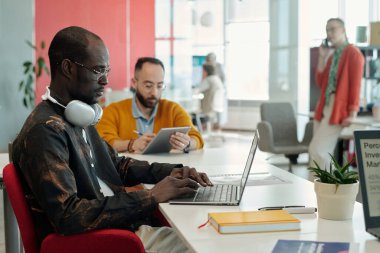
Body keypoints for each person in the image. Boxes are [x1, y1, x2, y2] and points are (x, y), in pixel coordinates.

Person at [12, 26, 213, 252]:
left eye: (106, 70)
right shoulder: (46, 130)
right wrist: (151, 196)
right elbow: (68, 215)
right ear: (68, 68)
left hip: (121, 227)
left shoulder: (77, 117)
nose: (105, 80)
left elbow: (117, 166)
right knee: (200, 244)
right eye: (98, 70)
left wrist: (171, 171)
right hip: (104, 241)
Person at [96, 57, 204, 153]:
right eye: (148, 86)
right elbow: (101, 142)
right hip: (128, 173)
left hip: (166, 172)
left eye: (160, 86)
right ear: (134, 83)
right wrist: (131, 144)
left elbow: (197, 138)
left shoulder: (173, 110)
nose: (155, 93)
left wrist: (188, 143)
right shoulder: (114, 111)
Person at [309, 18, 364, 169]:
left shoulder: (354, 54)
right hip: (324, 106)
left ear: (343, 30)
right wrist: (321, 56)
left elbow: (355, 85)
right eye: (327, 30)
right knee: (315, 152)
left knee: (319, 150)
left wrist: (352, 112)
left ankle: (333, 188)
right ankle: (317, 189)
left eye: (333, 29)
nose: (329, 33)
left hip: (337, 107)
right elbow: (321, 82)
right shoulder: (333, 56)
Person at [198, 63, 225, 131]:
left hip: (208, 107)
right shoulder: (216, 78)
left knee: (192, 113)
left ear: (206, 71)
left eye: (202, 71)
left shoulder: (208, 80)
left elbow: (197, 91)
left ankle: (198, 132)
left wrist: (202, 79)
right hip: (216, 106)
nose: (202, 73)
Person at [205, 52, 228, 128]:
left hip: (215, 94)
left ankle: (216, 124)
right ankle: (211, 125)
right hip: (212, 93)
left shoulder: (218, 67)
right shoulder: (208, 69)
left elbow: (223, 78)